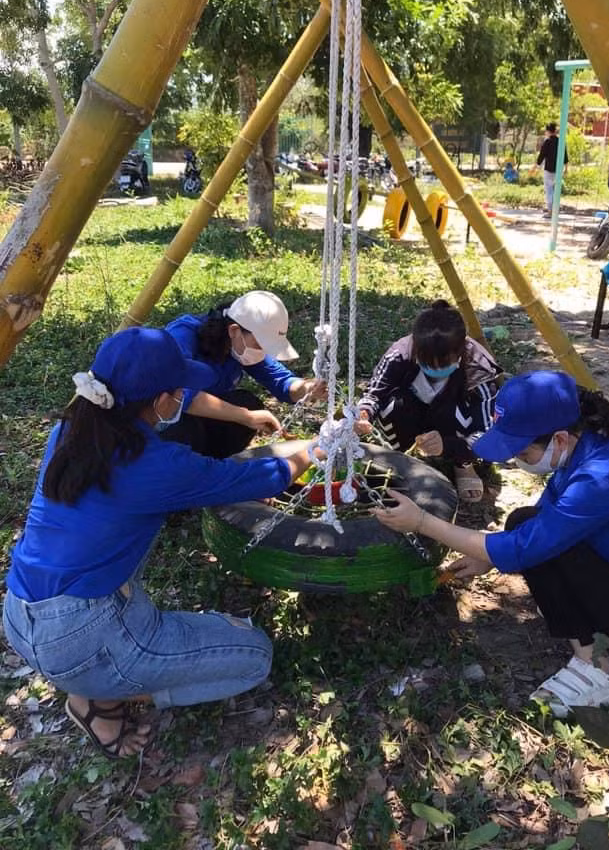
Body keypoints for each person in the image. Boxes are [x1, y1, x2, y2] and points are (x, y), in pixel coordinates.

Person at [2, 327, 317, 759]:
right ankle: (97, 697)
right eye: (178, 390)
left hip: (20, 613)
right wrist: (317, 448)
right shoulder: (154, 464)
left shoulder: (74, 428)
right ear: (160, 401)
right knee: (253, 655)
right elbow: (261, 476)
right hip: (82, 633)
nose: (182, 397)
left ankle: (91, 678)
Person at [373, 371, 609, 716]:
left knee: (537, 543)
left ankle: (598, 670)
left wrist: (423, 522)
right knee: (524, 522)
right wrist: (487, 558)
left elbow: (522, 549)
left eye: (524, 452)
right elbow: (542, 517)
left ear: (559, 438)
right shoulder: (584, 451)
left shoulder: (602, 478)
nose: (517, 460)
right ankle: (592, 635)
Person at [355, 300, 502, 502]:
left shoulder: (479, 371)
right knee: (393, 405)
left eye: (443, 364)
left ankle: (463, 464)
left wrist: (449, 445)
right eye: (426, 362)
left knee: (457, 412)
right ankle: (403, 457)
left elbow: (488, 433)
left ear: (461, 353)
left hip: (452, 424)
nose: (435, 370)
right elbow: (374, 395)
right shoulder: (399, 355)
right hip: (413, 415)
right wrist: (363, 414)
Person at [163, 291, 327, 457]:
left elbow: (281, 382)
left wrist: (307, 389)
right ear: (234, 331)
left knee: (247, 402)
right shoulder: (183, 334)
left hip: (200, 422)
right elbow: (180, 394)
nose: (262, 352)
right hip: (162, 423)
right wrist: (244, 416)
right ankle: (181, 469)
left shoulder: (240, 347)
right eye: (260, 344)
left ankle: (213, 464)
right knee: (183, 423)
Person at [534, 122, 568, 218]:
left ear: (548, 131)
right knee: (556, 191)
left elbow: (541, 156)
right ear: (555, 131)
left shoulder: (547, 141)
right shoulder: (561, 141)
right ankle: (555, 210)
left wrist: (535, 168)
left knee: (549, 191)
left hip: (549, 170)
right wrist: (566, 169)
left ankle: (550, 211)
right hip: (558, 170)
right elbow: (565, 156)